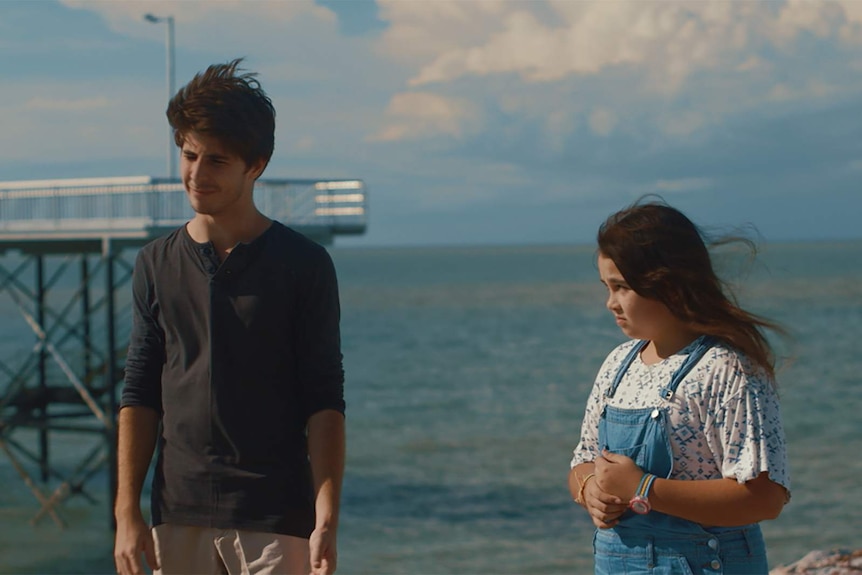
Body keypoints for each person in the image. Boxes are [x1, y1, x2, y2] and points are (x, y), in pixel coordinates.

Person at [113, 59, 346, 575]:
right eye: (189, 155)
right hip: (175, 515)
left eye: (216, 161)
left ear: (255, 165)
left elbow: (324, 398)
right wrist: (125, 511)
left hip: (277, 516)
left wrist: (326, 514)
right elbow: (139, 392)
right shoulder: (155, 262)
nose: (197, 174)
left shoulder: (304, 265)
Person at [568, 199, 790, 574]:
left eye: (622, 287)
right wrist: (589, 489)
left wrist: (643, 488)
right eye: (607, 287)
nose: (610, 303)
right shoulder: (618, 366)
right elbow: (582, 460)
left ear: (667, 283)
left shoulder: (726, 368)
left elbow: (765, 497)